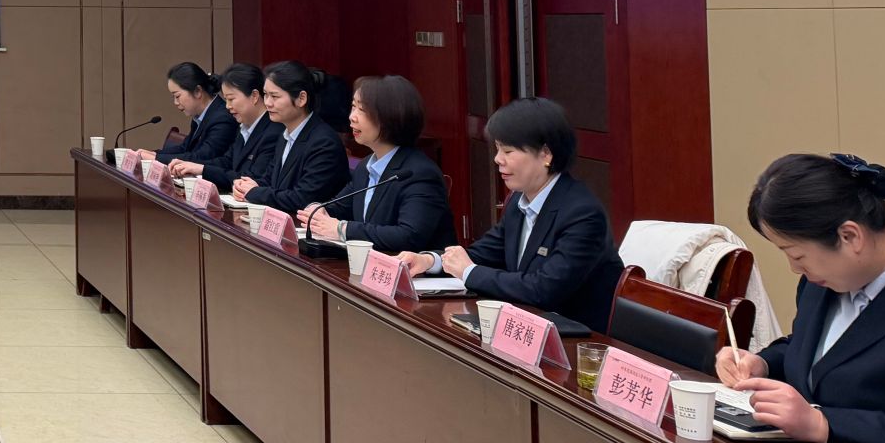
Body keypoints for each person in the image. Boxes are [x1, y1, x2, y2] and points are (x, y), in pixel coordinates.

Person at [716, 153, 885, 443]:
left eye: (797, 255)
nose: (795, 269)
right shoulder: (820, 283)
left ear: (849, 236)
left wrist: (822, 424)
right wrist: (762, 364)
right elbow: (817, 352)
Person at [404, 97, 621, 332]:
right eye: (497, 149)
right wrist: (430, 261)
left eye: (508, 150)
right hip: (526, 326)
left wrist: (469, 272)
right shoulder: (519, 199)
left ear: (546, 155)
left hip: (576, 339)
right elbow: (485, 253)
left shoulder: (583, 214)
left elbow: (543, 290)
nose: (497, 159)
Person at [301, 75, 455, 252]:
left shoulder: (420, 173)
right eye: (353, 107)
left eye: (362, 109)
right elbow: (338, 207)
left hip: (412, 268)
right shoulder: (366, 166)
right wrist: (318, 210)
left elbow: (408, 236)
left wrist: (342, 229)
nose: (352, 117)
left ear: (390, 117)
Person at [231, 60, 347, 214]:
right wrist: (247, 186)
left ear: (301, 99)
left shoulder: (323, 142)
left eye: (275, 96)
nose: (268, 103)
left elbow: (303, 199)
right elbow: (270, 180)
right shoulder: (285, 134)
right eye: (265, 95)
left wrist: (255, 193)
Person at [182, 62, 280, 191]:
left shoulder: (274, 131)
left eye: (231, 99)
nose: (227, 106)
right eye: (226, 100)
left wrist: (203, 170)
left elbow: (251, 178)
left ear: (254, 96)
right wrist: (194, 166)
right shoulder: (244, 126)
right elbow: (227, 161)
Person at [153, 62, 236, 171]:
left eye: (177, 96)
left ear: (197, 91)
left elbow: (201, 156)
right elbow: (185, 148)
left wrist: (156, 158)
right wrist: (154, 154)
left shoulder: (223, 119)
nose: (175, 102)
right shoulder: (200, 116)